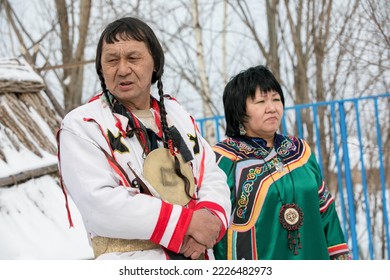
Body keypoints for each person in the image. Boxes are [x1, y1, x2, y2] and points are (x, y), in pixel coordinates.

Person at [56, 16, 231, 260]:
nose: (123, 69)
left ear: (155, 64)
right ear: (101, 69)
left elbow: (210, 173)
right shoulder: (83, 125)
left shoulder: (177, 116)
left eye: (133, 58)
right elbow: (99, 203)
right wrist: (186, 225)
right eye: (111, 60)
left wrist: (211, 220)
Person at [212, 65, 351, 260]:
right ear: (239, 111)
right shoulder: (224, 159)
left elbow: (325, 209)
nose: (272, 108)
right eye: (260, 101)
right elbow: (213, 224)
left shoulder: (300, 151)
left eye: (276, 99)